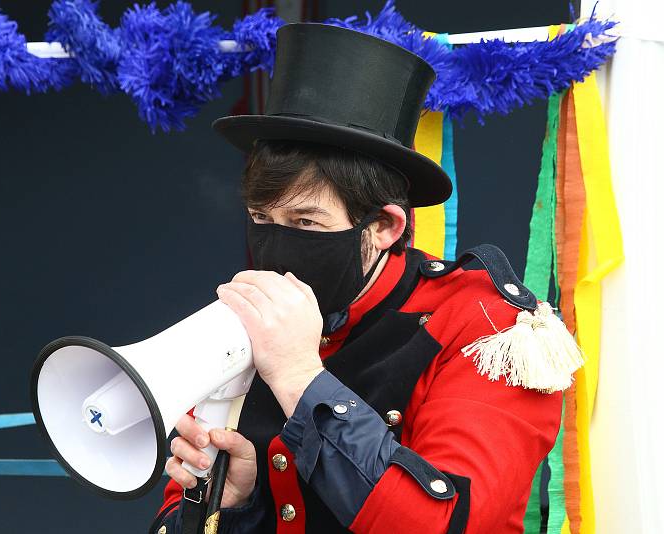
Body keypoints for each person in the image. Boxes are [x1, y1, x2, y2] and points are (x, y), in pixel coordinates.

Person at [149, 22, 578, 534]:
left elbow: (444, 524)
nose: (276, 244)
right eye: (262, 220)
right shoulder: (250, 323)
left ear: (384, 227)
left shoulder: (488, 324)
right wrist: (237, 506)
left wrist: (301, 377)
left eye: (307, 223)